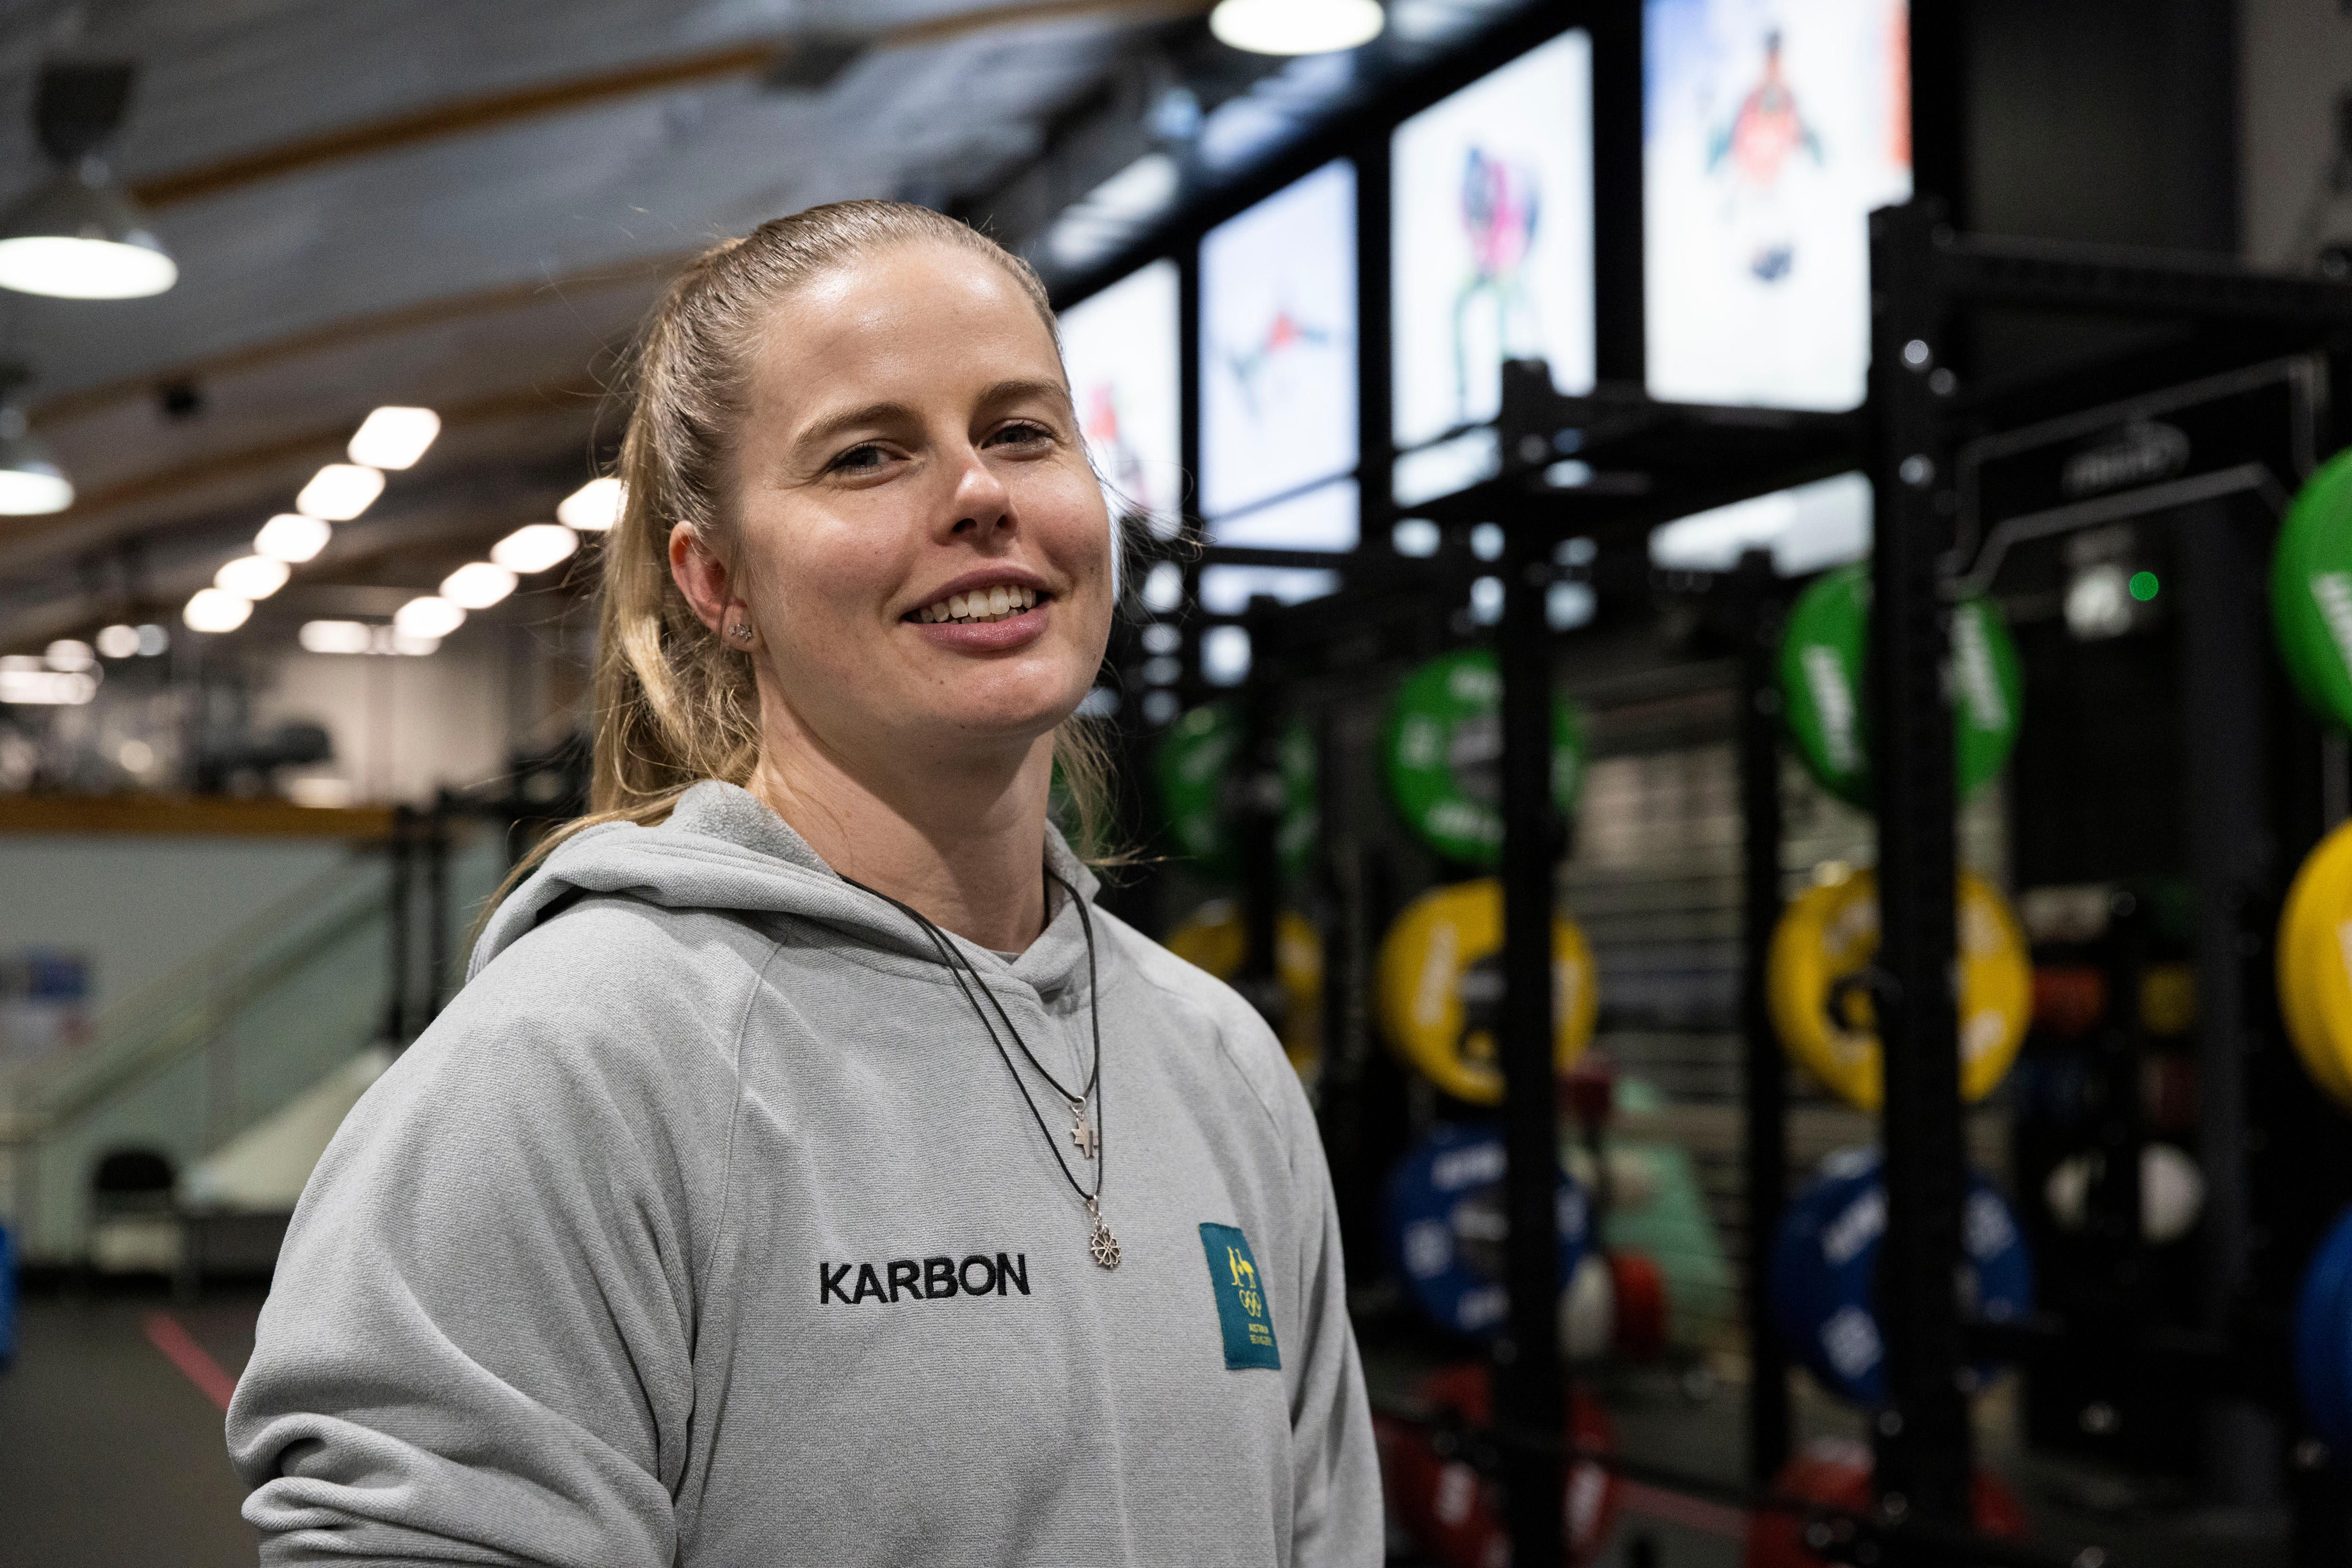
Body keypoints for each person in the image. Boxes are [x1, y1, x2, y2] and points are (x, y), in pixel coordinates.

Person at [226, 201, 1381, 1566]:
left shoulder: (1221, 1061)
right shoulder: (568, 1069)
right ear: (718, 582)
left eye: (1022, 431)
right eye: (868, 455)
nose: (980, 493)